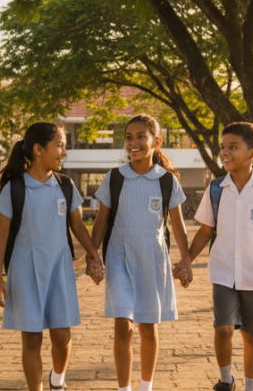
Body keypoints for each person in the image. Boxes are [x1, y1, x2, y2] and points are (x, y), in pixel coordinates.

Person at [0, 122, 105, 391]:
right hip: (25, 270)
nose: (64, 151)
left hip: (59, 269)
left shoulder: (65, 186)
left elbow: (77, 225)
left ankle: (57, 380)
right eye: (60, 145)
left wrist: (93, 256)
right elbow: (1, 238)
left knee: (62, 336)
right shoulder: (15, 189)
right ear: (39, 149)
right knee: (31, 339)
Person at [90, 114, 193, 391]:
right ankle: (124, 389)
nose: (133, 143)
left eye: (140, 137)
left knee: (148, 328)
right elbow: (100, 223)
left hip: (152, 259)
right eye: (128, 137)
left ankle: (145, 387)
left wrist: (186, 260)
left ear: (156, 142)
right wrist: (92, 256)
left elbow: (178, 227)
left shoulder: (167, 181)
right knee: (123, 325)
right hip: (118, 257)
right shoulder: (114, 178)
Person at [188, 122, 253, 391]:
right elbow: (206, 229)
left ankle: (250, 387)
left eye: (233, 147)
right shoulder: (216, 188)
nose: (225, 152)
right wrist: (186, 259)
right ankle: (225, 380)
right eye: (223, 147)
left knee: (251, 335)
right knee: (223, 328)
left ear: (252, 154)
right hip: (223, 271)